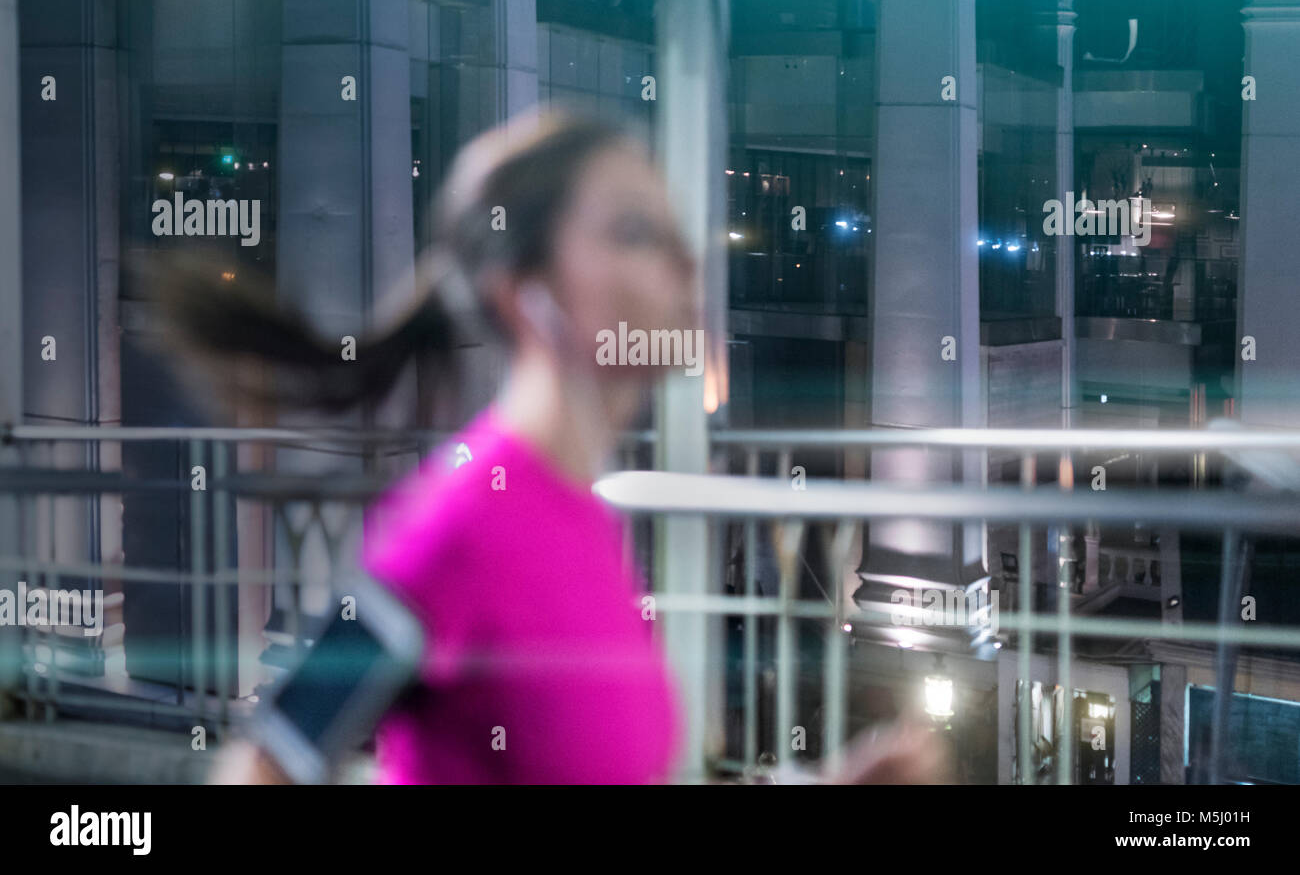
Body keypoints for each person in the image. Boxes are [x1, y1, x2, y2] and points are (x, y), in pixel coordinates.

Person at [169, 111, 944, 784]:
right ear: (526, 293)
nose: (682, 262)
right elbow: (268, 760)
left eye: (675, 233)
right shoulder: (458, 525)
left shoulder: (585, 515)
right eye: (632, 232)